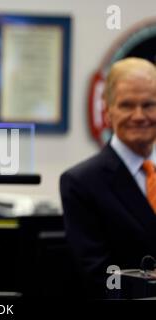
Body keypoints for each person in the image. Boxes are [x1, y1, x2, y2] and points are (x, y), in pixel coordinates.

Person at [60, 57, 156, 298]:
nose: (139, 115)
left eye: (149, 104)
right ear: (108, 110)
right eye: (126, 105)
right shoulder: (81, 183)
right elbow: (100, 278)